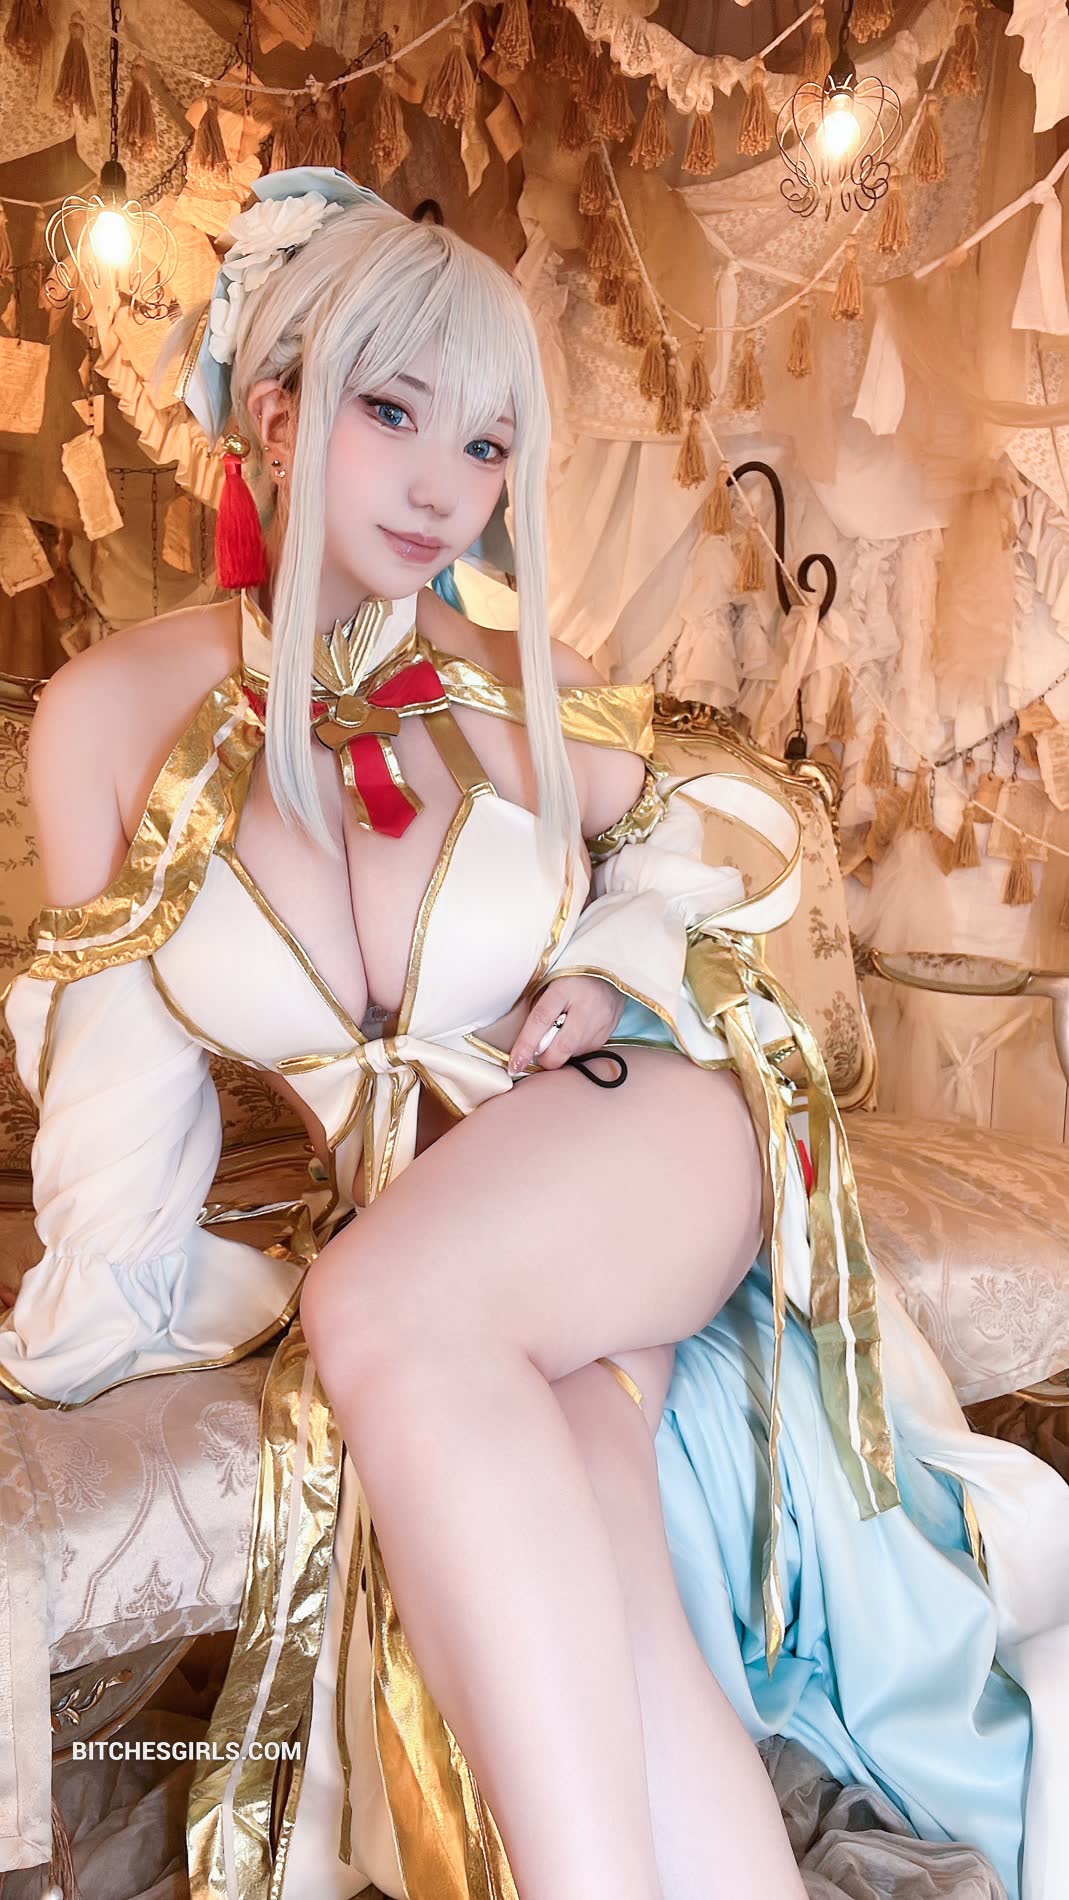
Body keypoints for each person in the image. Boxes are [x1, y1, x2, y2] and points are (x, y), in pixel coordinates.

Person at [1, 167, 1066, 1900]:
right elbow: (114, 1086)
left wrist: (619, 967)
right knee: (589, 1523)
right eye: (393, 412)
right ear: (275, 412)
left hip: (640, 1132)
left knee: (372, 1305)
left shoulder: (511, 679)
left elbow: (729, 835)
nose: (445, 485)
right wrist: (93, 1321)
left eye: (488, 445)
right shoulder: (112, 717)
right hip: (469, 1248)